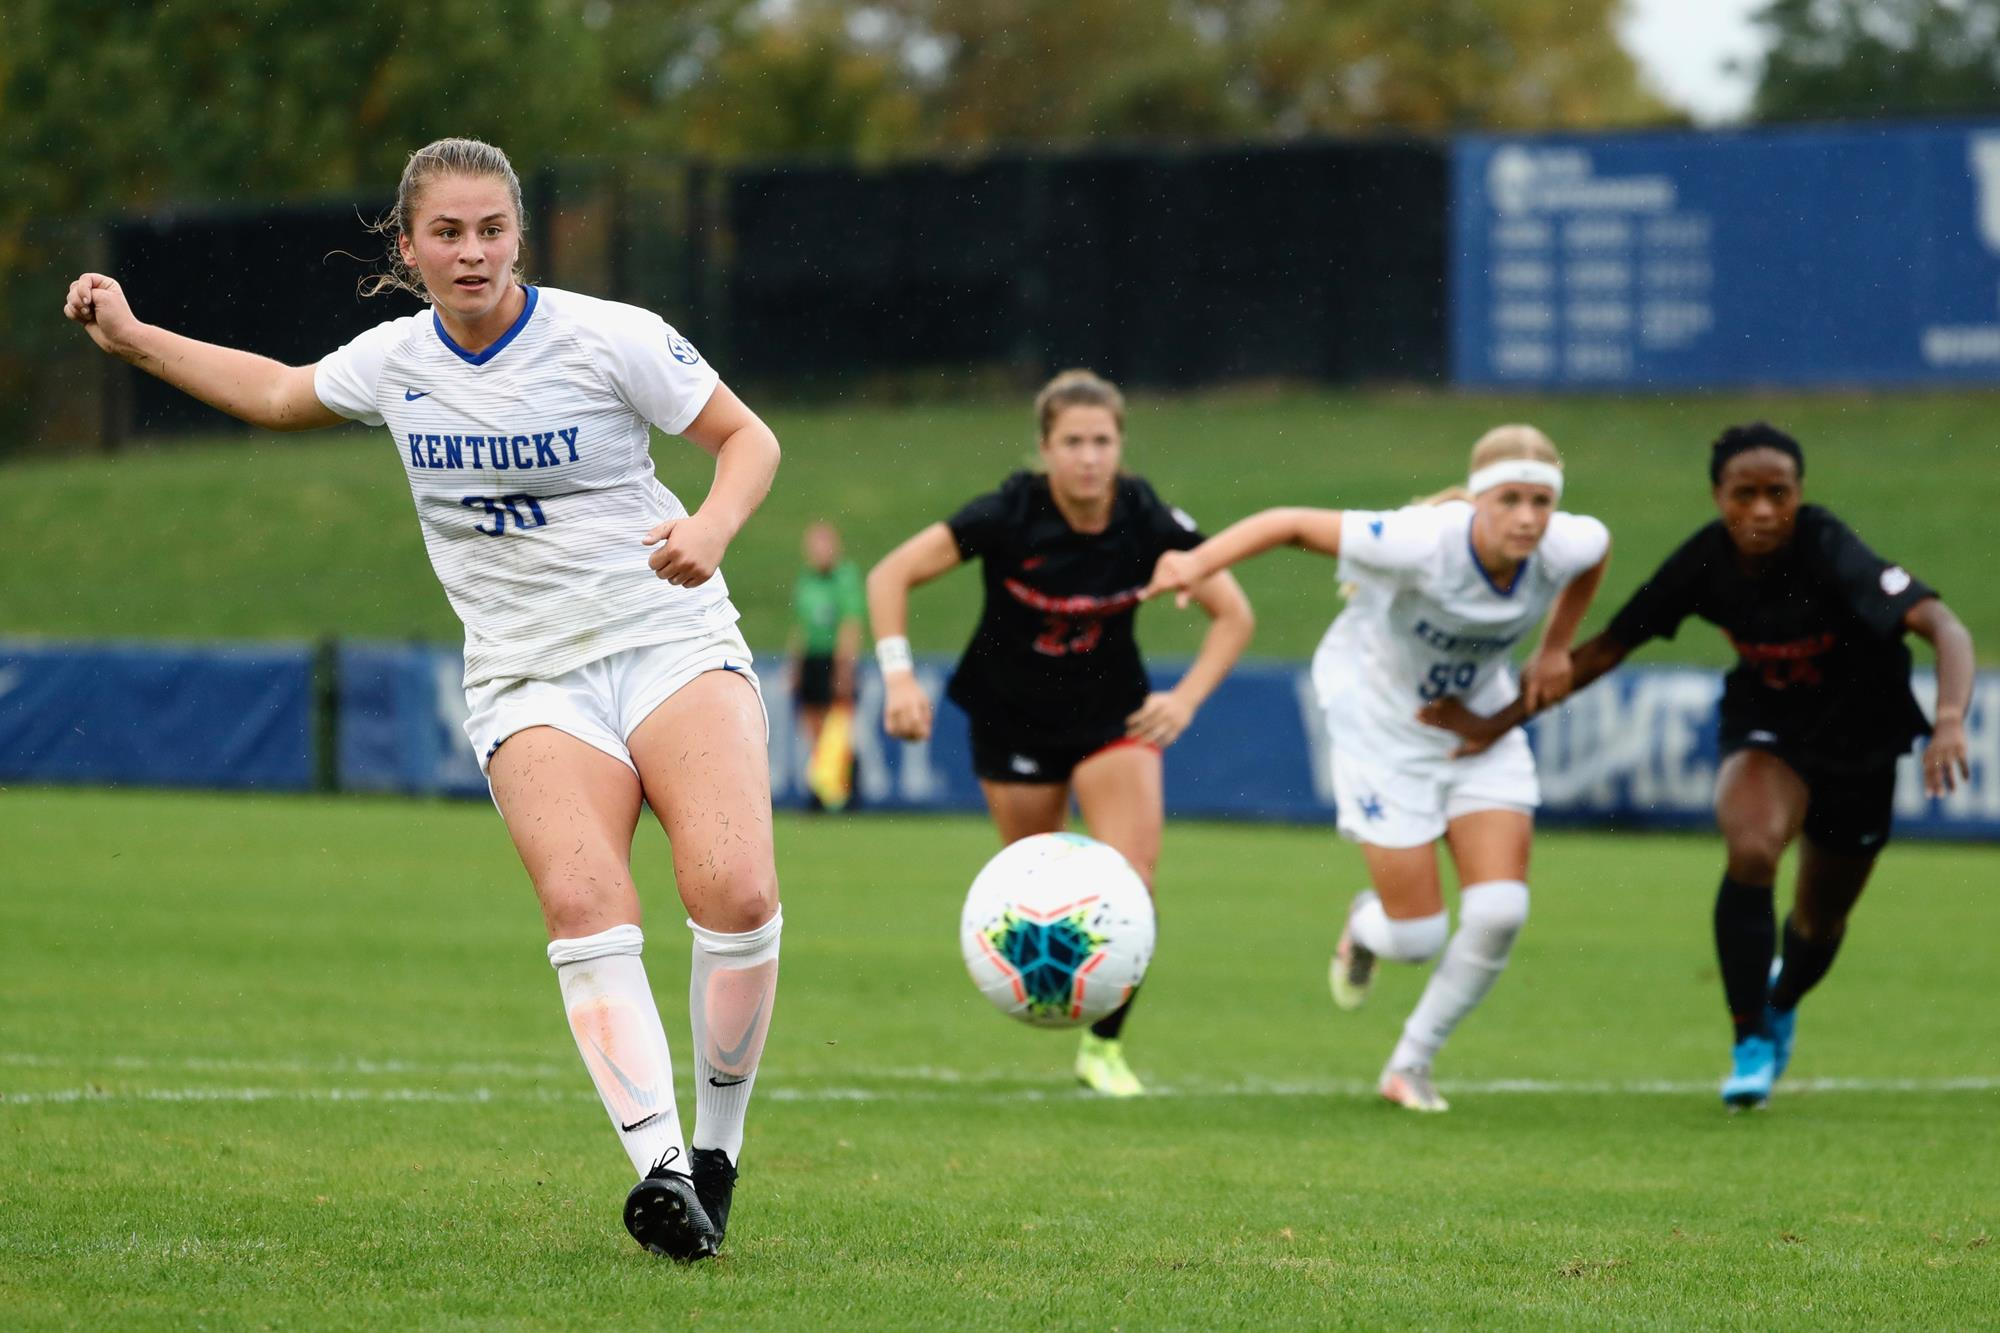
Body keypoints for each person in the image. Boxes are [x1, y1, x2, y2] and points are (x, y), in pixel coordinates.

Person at [62, 138, 782, 1261]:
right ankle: (662, 1173)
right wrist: (134, 336)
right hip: (526, 675)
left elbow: (746, 438)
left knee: (733, 890)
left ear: (518, 236)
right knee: (587, 903)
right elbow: (275, 391)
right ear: (407, 246)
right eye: (445, 232)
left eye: (491, 228)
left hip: (667, 639)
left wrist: (711, 526)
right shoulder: (394, 362)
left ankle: (719, 1152)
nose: (472, 250)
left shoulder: (611, 335)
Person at [1419, 422, 1975, 1110]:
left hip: (1864, 738)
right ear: (1719, 496)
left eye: (1780, 493)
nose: (1764, 510)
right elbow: (1606, 648)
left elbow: (1945, 627)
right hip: (1769, 728)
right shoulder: (1705, 562)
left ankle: (1782, 997)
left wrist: (1949, 718)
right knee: (1750, 846)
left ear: (1799, 494)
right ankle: (1749, 1038)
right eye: (1746, 494)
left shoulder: (1829, 546)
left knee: (1819, 922)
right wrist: (1491, 724)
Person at [1149, 426, 1610, 1113]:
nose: (1527, 517)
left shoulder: (1568, 542)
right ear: (1479, 496)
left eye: (1541, 501)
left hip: (1476, 725)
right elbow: (1288, 523)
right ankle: (1366, 926)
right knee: (1418, 937)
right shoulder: (1421, 541)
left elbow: (1592, 561)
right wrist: (1194, 564)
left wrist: (1556, 648)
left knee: (1500, 909)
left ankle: (1409, 1063)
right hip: (1381, 728)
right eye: (1510, 498)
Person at [865, 370, 1253, 1097]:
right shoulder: (1009, 512)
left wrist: (1188, 698)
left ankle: (1103, 1048)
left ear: (1120, 446)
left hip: (1113, 719)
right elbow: (890, 575)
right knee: (1032, 896)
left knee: (1132, 883)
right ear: (1045, 447)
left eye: (1102, 440)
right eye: (1072, 441)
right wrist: (896, 675)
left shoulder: (1148, 519)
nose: (1089, 456)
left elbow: (1234, 612)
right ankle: (1049, 999)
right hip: (1011, 717)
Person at [786, 521, 865, 808]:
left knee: (839, 728)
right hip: (812, 659)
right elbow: (801, 626)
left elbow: (850, 622)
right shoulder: (806, 580)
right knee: (814, 729)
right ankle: (822, 788)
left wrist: (845, 667)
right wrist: (794, 665)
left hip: (835, 659)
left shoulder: (845, 577)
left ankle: (849, 790)